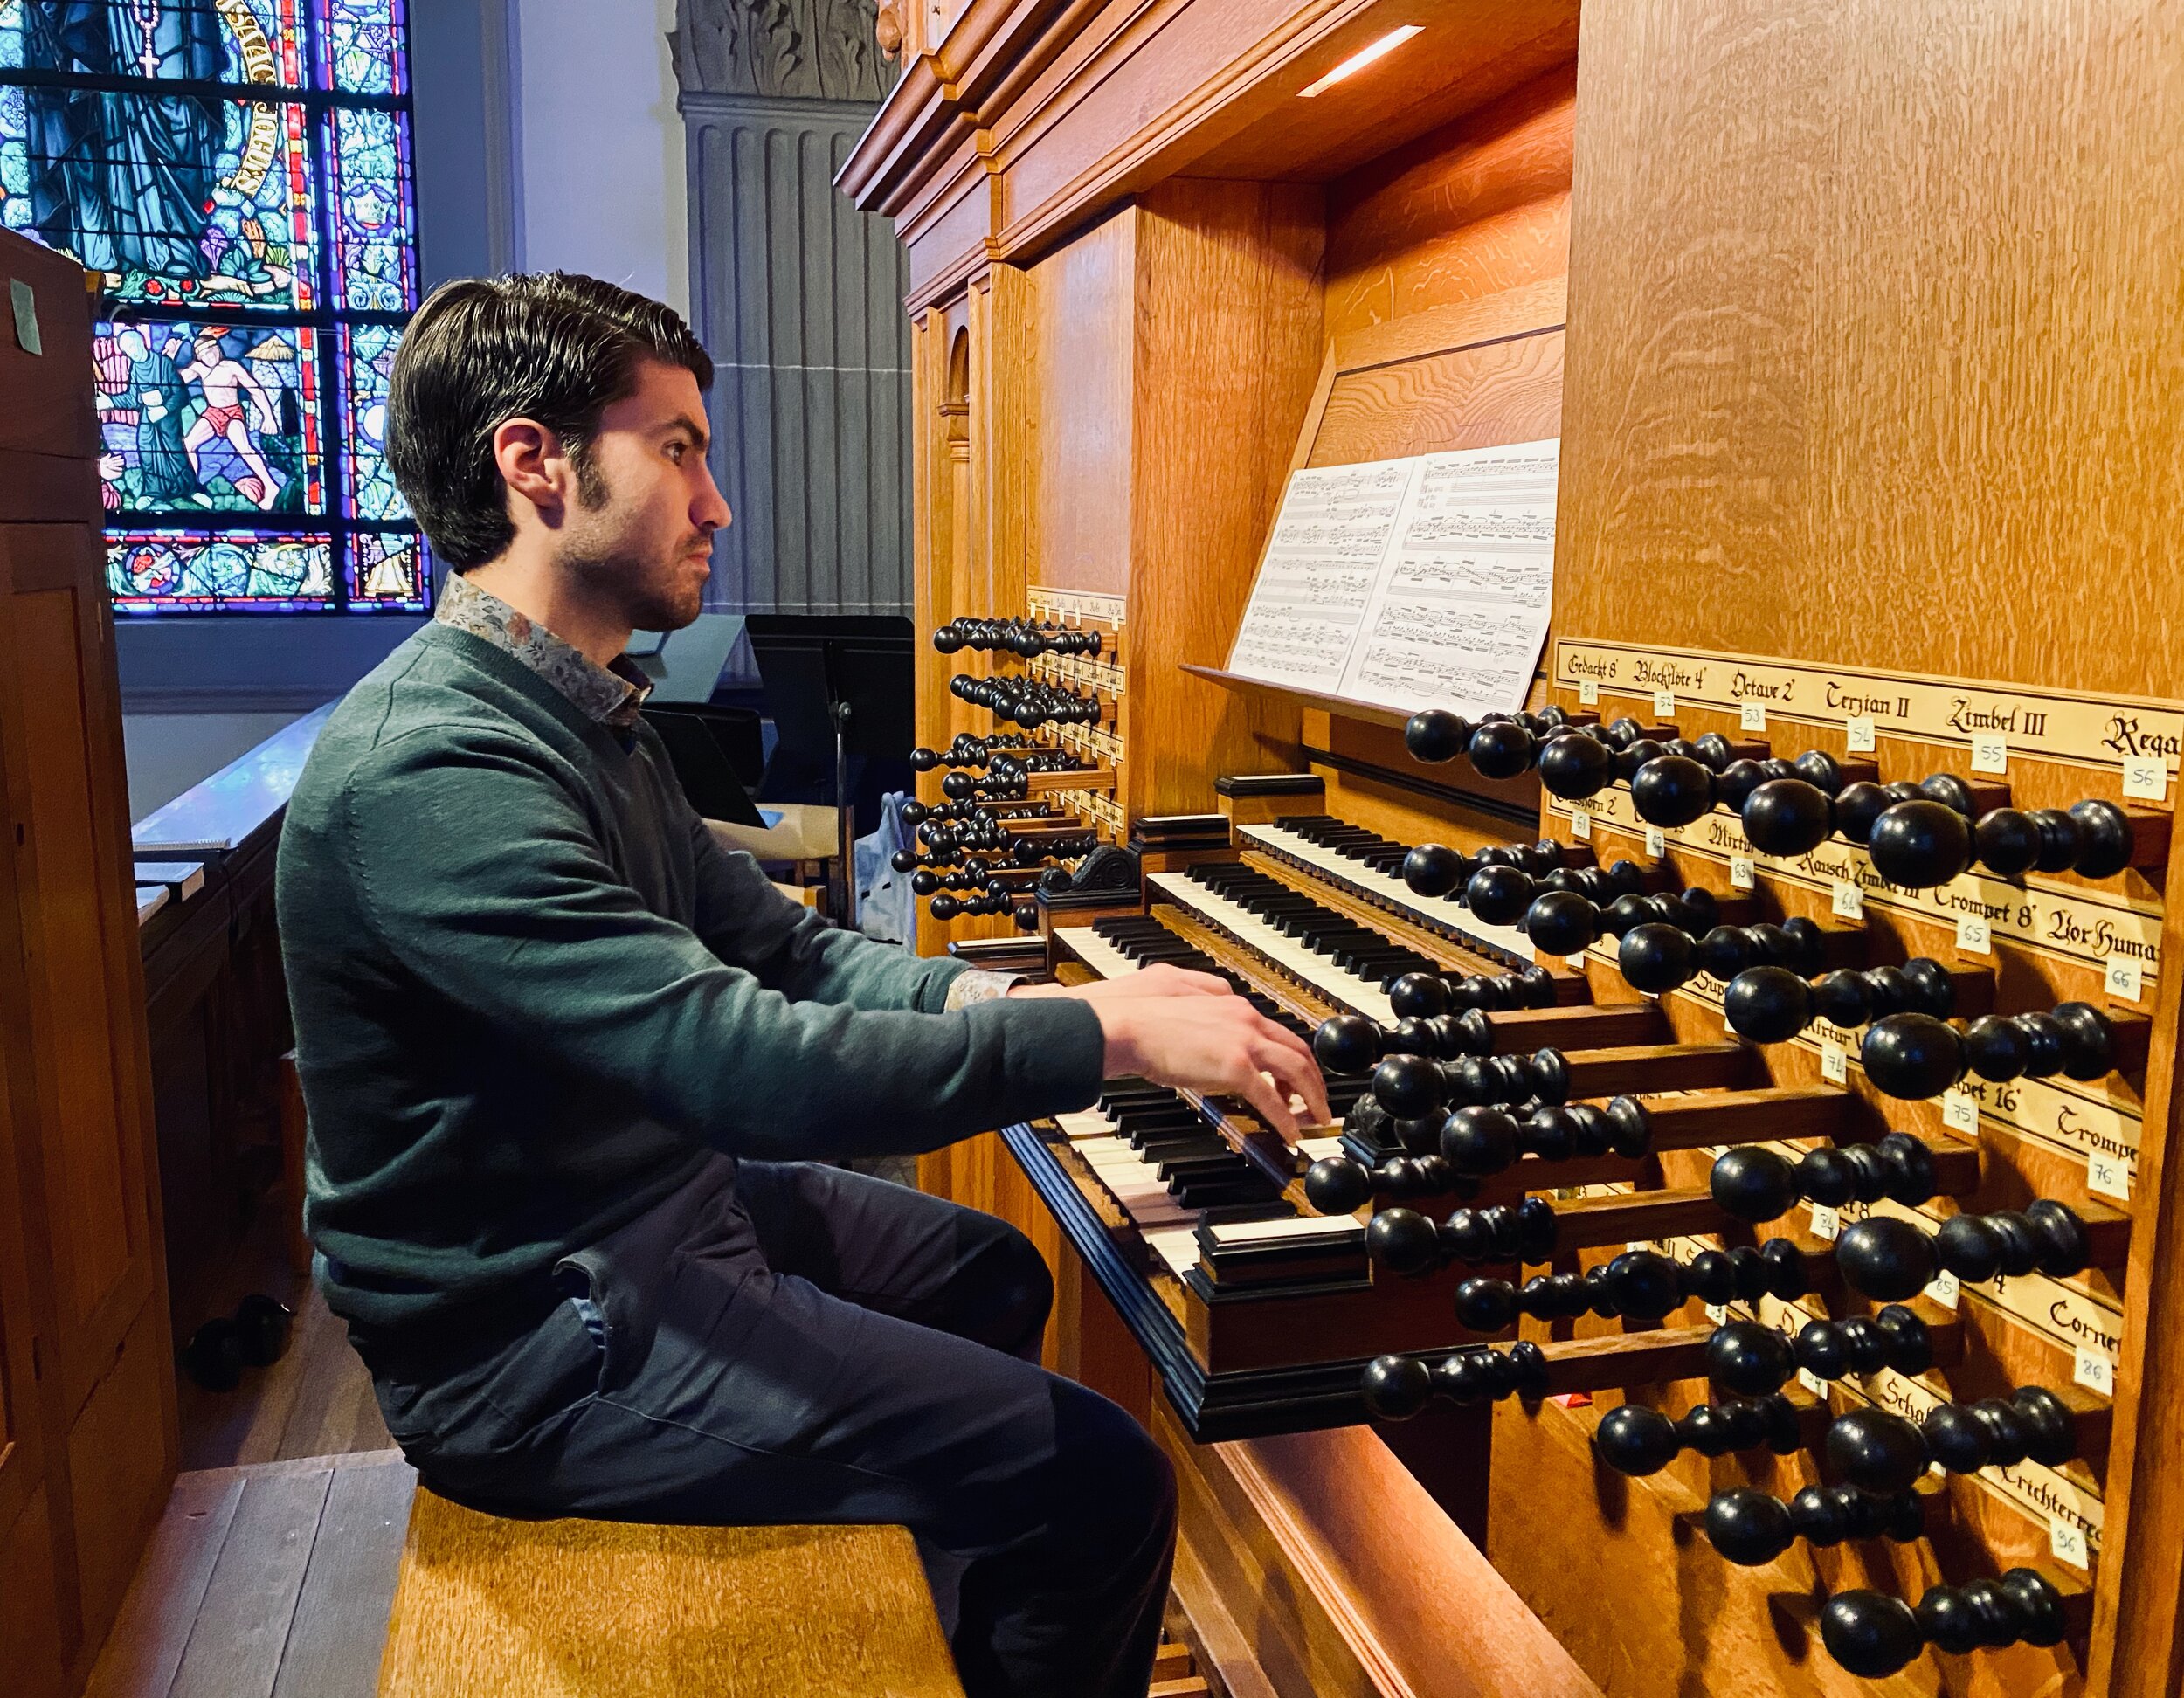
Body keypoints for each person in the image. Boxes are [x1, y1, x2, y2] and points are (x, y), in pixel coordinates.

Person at [276, 272, 1329, 1698]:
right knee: (1103, 1487)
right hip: (534, 1337)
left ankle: (953, 1645)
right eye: (680, 449)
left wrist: (999, 1008)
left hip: (649, 1214)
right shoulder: (434, 767)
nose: (716, 504)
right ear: (535, 465)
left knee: (991, 1272)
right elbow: (739, 1059)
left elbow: (783, 948)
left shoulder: (590, 712)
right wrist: (1097, 1035)